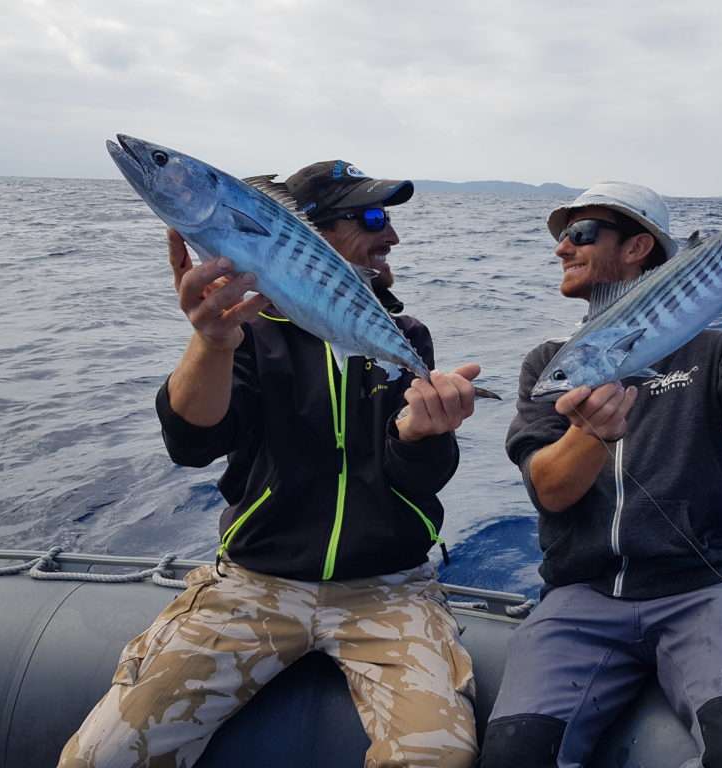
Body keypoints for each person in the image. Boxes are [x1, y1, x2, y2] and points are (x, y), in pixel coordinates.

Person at [59, 161, 479, 768]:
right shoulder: (248, 332)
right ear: (306, 236)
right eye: (367, 217)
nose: (390, 235)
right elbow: (193, 443)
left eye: (387, 218)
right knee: (105, 755)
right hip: (256, 584)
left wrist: (420, 434)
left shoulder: (401, 333)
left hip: (390, 589)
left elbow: (418, 478)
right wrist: (212, 343)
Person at [480, 178, 722, 768]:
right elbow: (550, 491)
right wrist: (588, 435)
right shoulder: (551, 365)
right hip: (580, 597)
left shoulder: (711, 351)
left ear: (638, 247)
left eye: (579, 233)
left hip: (703, 592)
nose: (561, 248)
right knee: (515, 754)